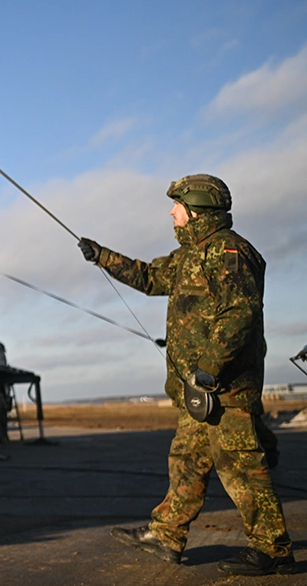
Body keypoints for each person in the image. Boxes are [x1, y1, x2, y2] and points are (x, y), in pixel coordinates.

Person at [78, 174, 294, 576]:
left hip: (223, 388)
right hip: (200, 391)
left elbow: (239, 314)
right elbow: (148, 277)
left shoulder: (229, 251)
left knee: (241, 467)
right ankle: (166, 535)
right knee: (186, 461)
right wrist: (101, 256)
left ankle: (274, 549)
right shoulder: (189, 255)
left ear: (196, 209)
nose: (171, 212)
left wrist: (208, 370)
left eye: (177, 205)